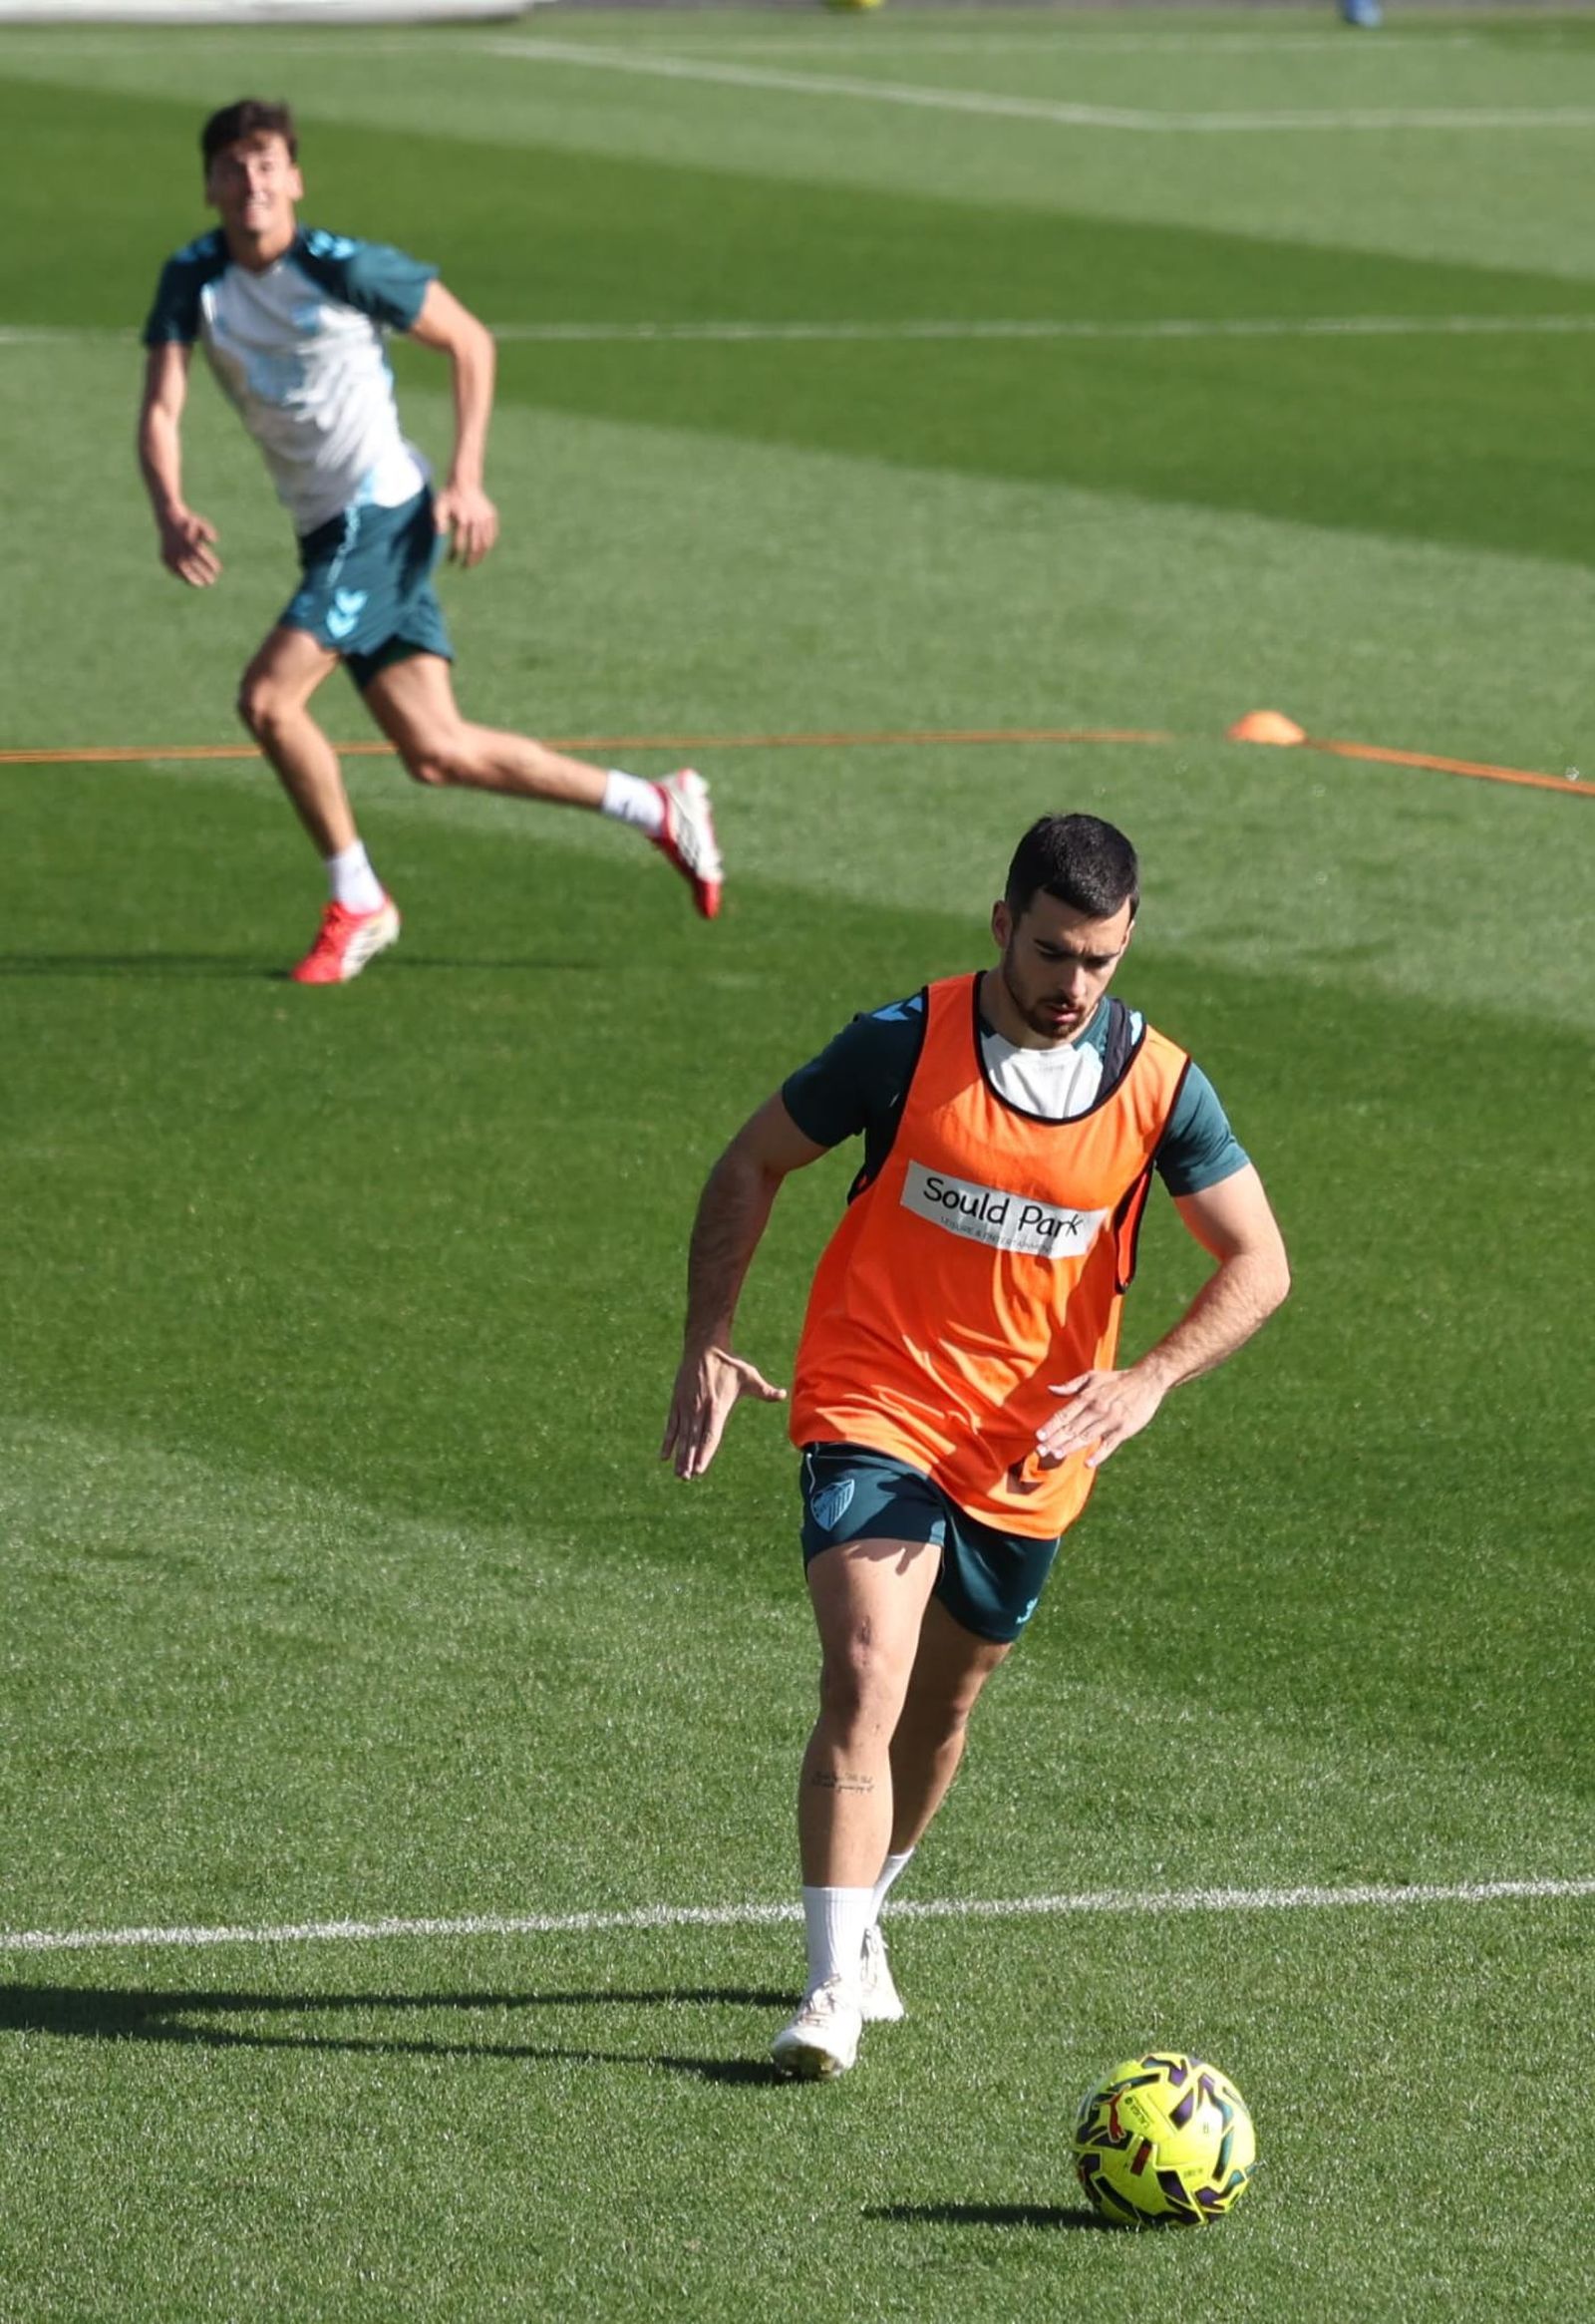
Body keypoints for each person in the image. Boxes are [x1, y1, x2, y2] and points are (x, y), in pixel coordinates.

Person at [662, 814, 1290, 2079]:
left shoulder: (1162, 1084)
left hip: (1032, 1439)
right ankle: (828, 1987)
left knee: (942, 1709)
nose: (1072, 987)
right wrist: (708, 1336)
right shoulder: (905, 1041)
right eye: (1053, 952)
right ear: (1003, 925)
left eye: (1099, 961)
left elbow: (1260, 1262)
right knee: (864, 1671)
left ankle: (870, 1908)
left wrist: (1152, 1377)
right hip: (874, 1399)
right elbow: (752, 1160)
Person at [138, 99, 722, 985]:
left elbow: (468, 340)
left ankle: (358, 899)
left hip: (382, 513)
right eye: (231, 164)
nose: (250, 179)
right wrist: (169, 505)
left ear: (294, 178)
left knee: (267, 700)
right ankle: (657, 805)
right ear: (210, 183)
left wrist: (467, 477)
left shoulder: (340, 266)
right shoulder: (194, 277)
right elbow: (162, 405)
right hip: (328, 531)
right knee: (436, 750)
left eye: (266, 162)